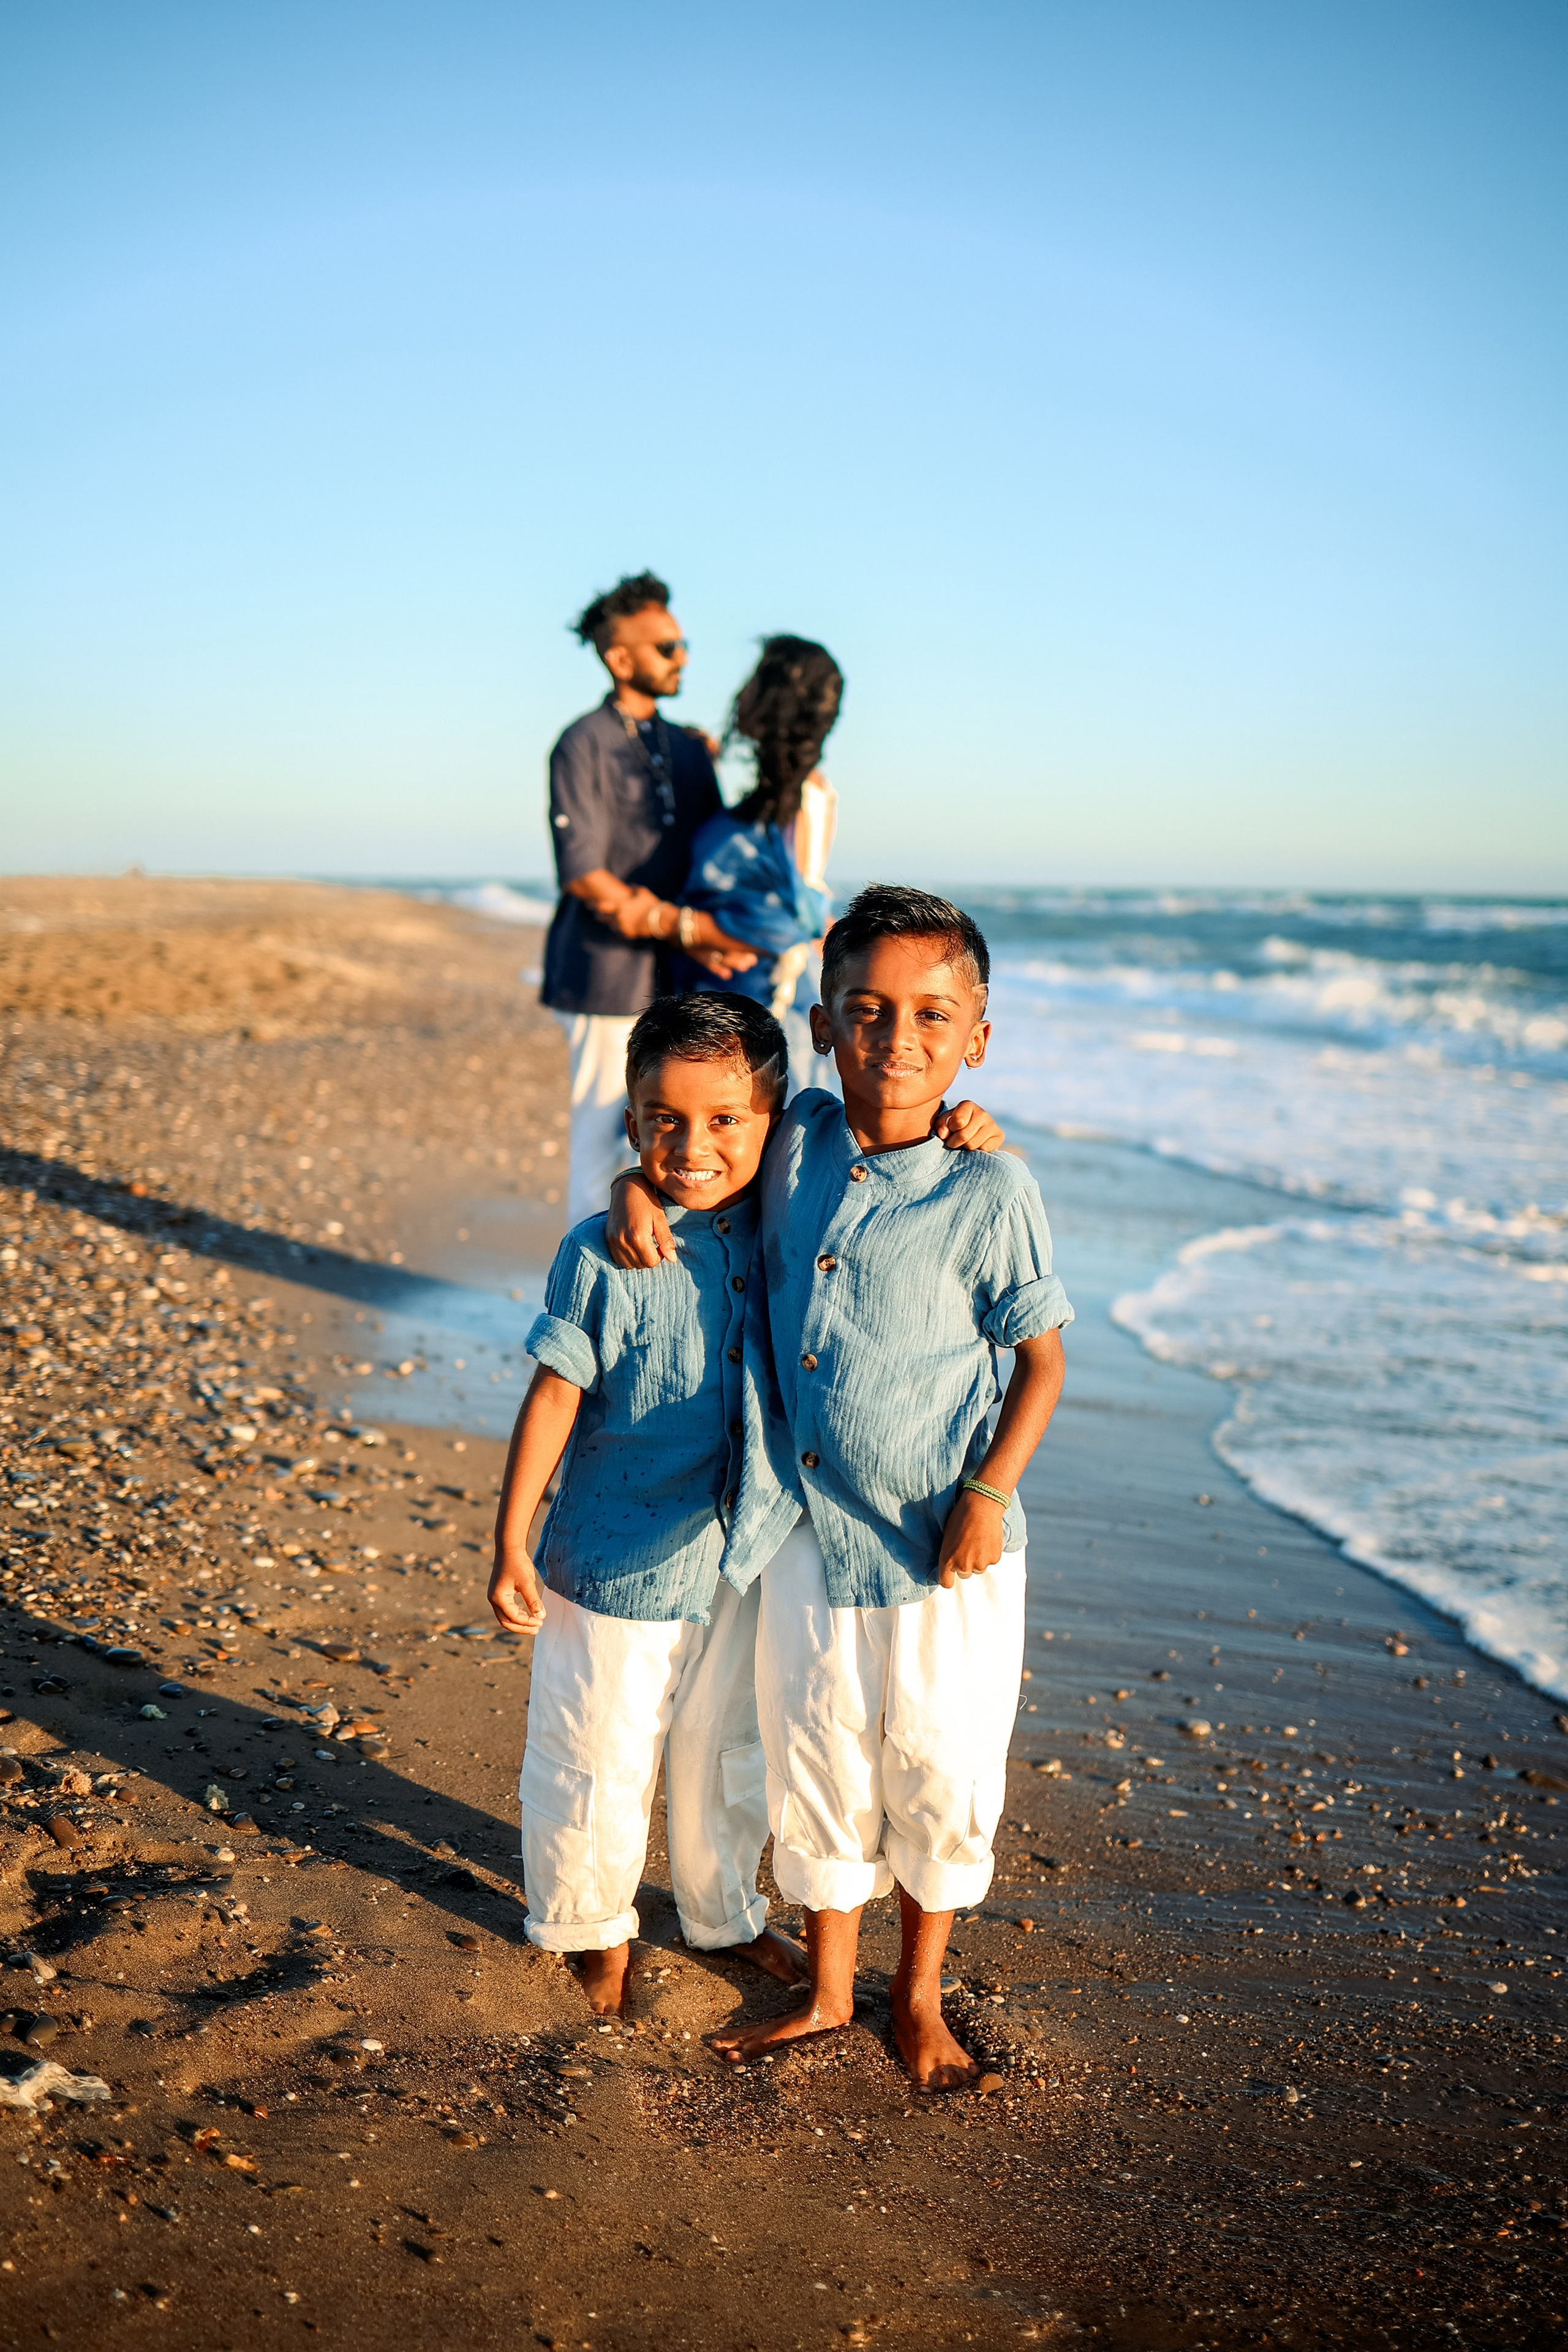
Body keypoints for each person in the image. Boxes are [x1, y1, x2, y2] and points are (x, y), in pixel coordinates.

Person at [607, 886, 1072, 2089]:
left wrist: (987, 1491)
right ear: (822, 1024)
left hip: (941, 1546)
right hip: (806, 1531)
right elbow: (696, 1152)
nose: (897, 1041)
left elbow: (1041, 1362)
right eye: (867, 1012)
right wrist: (630, 1189)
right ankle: (824, 1989)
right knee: (818, 1753)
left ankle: (914, 1997)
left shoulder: (990, 1189)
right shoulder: (797, 1140)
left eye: (930, 1016)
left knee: (938, 1760)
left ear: (977, 1035)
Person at [488, 992, 807, 2014]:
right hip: (616, 1550)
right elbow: (554, 1394)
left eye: (724, 1121)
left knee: (729, 1745)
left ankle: (723, 1913)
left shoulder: (794, 1231)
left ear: (774, 1122)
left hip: (747, 1545)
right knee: (596, 1746)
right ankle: (588, 1921)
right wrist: (510, 1542)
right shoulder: (600, 1249)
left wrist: (970, 1128)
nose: (692, 1144)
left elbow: (892, 1153)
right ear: (630, 1122)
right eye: (662, 1122)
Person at [540, 571, 758, 1223]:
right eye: (665, 647)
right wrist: (685, 927)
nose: (682, 657)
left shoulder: (688, 749)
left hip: (681, 978)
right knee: (603, 1142)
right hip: (605, 972)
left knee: (674, 1142)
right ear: (619, 658)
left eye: (682, 644)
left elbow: (715, 856)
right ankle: (585, 1304)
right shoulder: (581, 744)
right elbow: (583, 873)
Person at [674, 635, 843, 1096]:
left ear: (779, 700)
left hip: (765, 992)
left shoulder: (807, 797)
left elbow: (794, 916)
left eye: (756, 682)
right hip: (721, 980)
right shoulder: (768, 800)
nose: (742, 693)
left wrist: (685, 928)